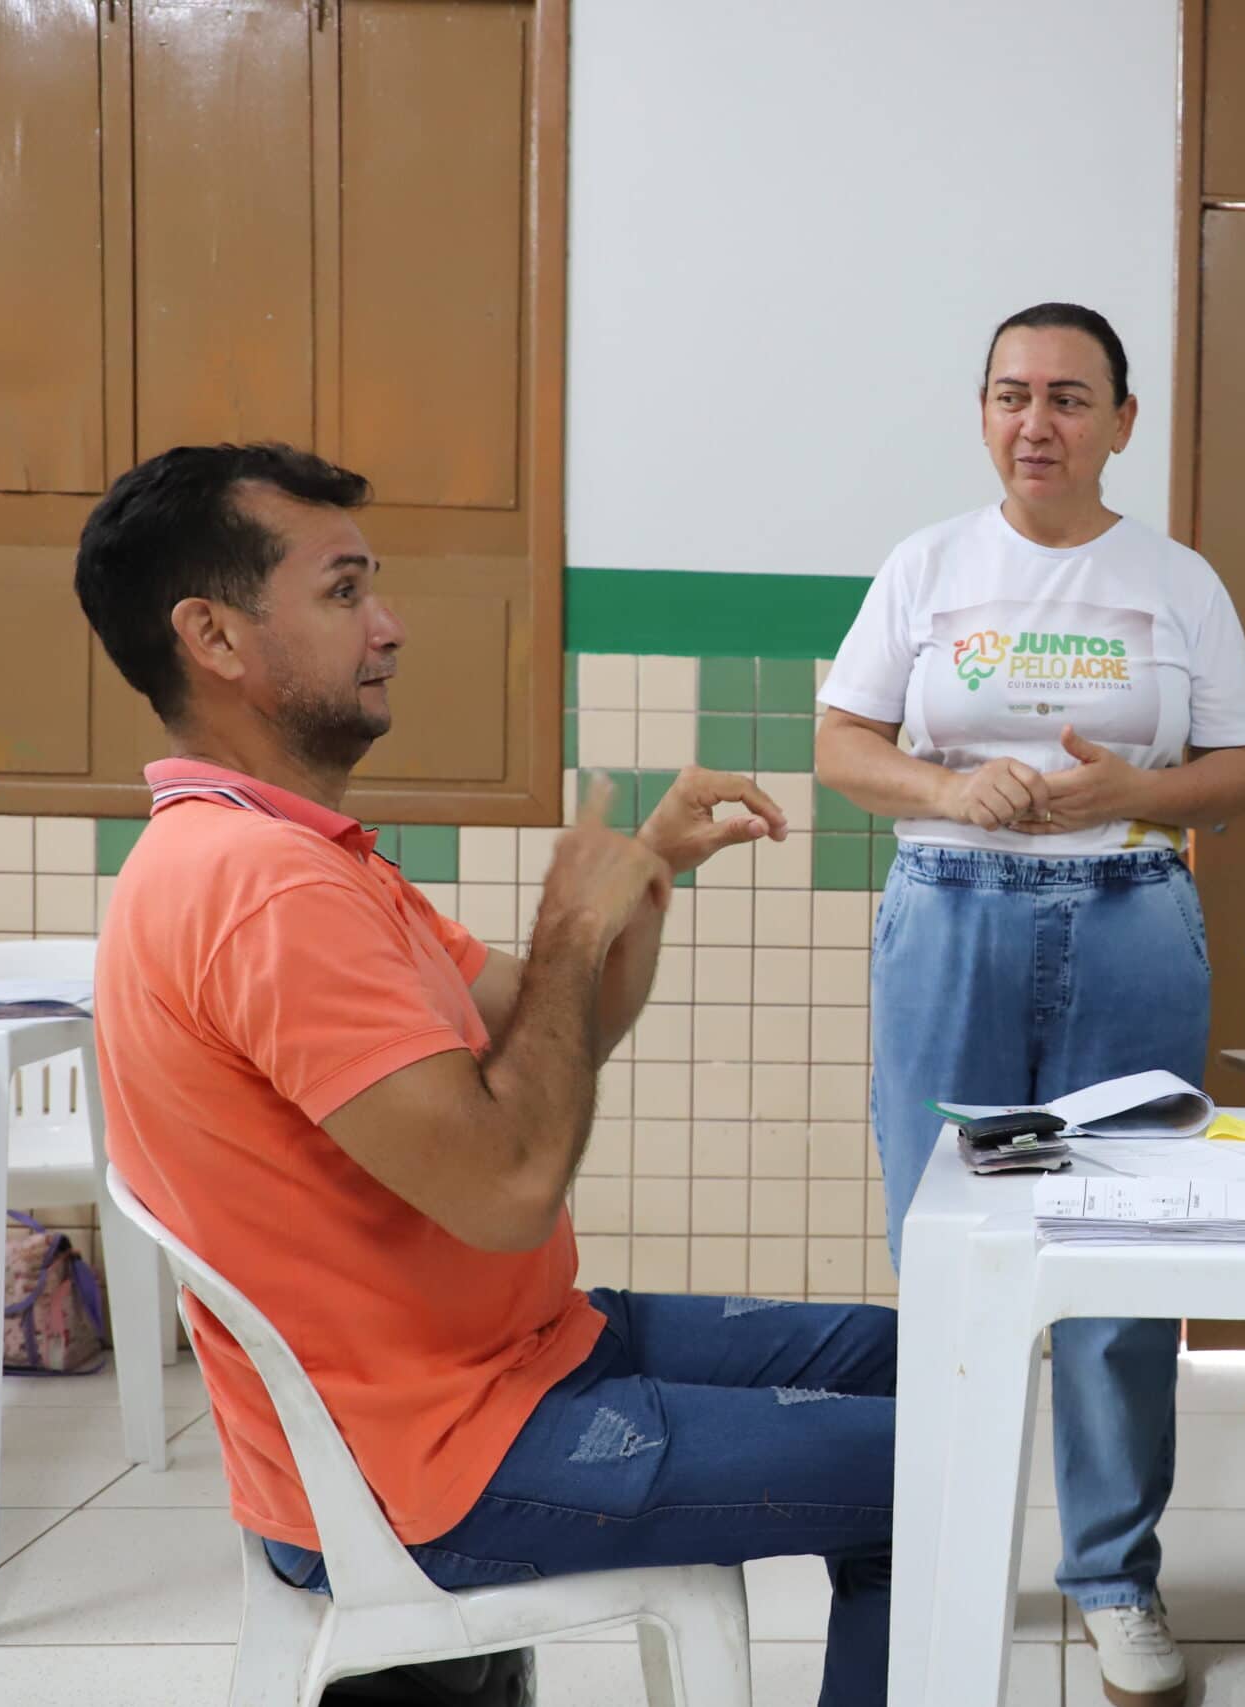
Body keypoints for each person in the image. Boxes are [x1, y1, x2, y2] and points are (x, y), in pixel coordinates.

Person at [79, 444, 899, 1707]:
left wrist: (644, 871)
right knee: (941, 1457)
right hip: (434, 1457)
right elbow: (512, 1184)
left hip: (513, 1359)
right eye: (344, 592)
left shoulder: (312, 860)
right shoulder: (260, 892)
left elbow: (551, 1028)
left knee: (921, 1359)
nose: (389, 628)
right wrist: (574, 925)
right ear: (215, 637)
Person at [812, 304, 1245, 1705]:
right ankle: (937, 1549)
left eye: (1071, 397)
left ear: (1124, 421)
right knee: (946, 1242)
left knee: (1124, 1258)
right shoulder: (927, 566)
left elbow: (1243, 762)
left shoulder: (1176, 578)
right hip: (951, 910)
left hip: (1130, 917)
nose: (1038, 421)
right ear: (984, 410)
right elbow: (841, 742)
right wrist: (952, 787)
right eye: (1013, 393)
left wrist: (1136, 789)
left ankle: (1113, 1578)